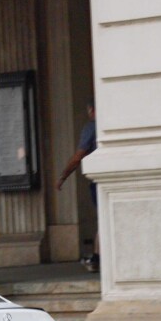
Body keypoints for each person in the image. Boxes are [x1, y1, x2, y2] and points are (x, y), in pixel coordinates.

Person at [58, 101, 98, 272]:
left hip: (99, 180)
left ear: (92, 110)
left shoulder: (92, 127)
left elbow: (78, 156)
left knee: (103, 219)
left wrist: (63, 176)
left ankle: (98, 258)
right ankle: (97, 257)